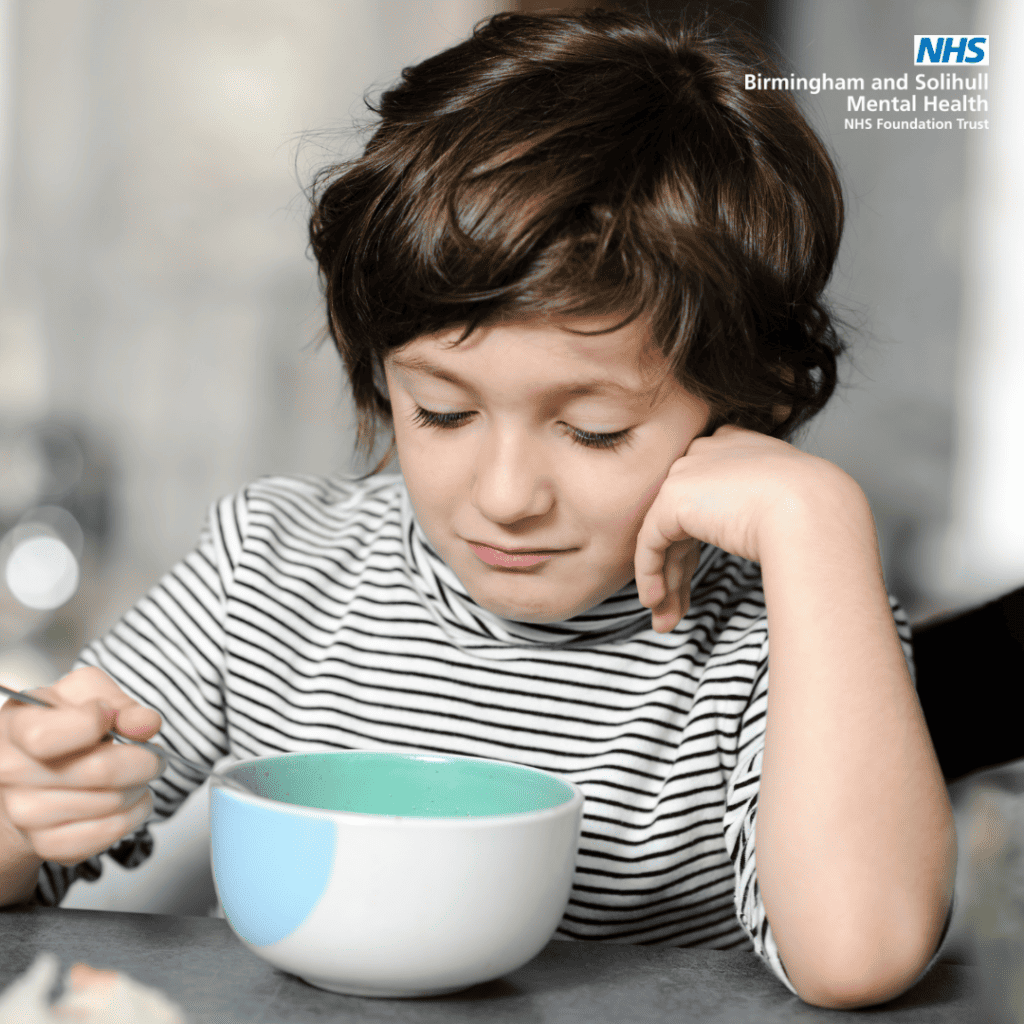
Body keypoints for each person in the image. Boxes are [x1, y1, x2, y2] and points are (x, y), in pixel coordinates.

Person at [0, 8, 956, 1010]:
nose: (504, 498)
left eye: (592, 431)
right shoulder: (271, 571)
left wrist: (817, 525)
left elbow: (859, 953)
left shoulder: (784, 634)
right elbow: (34, 816)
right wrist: (26, 809)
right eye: (443, 413)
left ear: (739, 404)